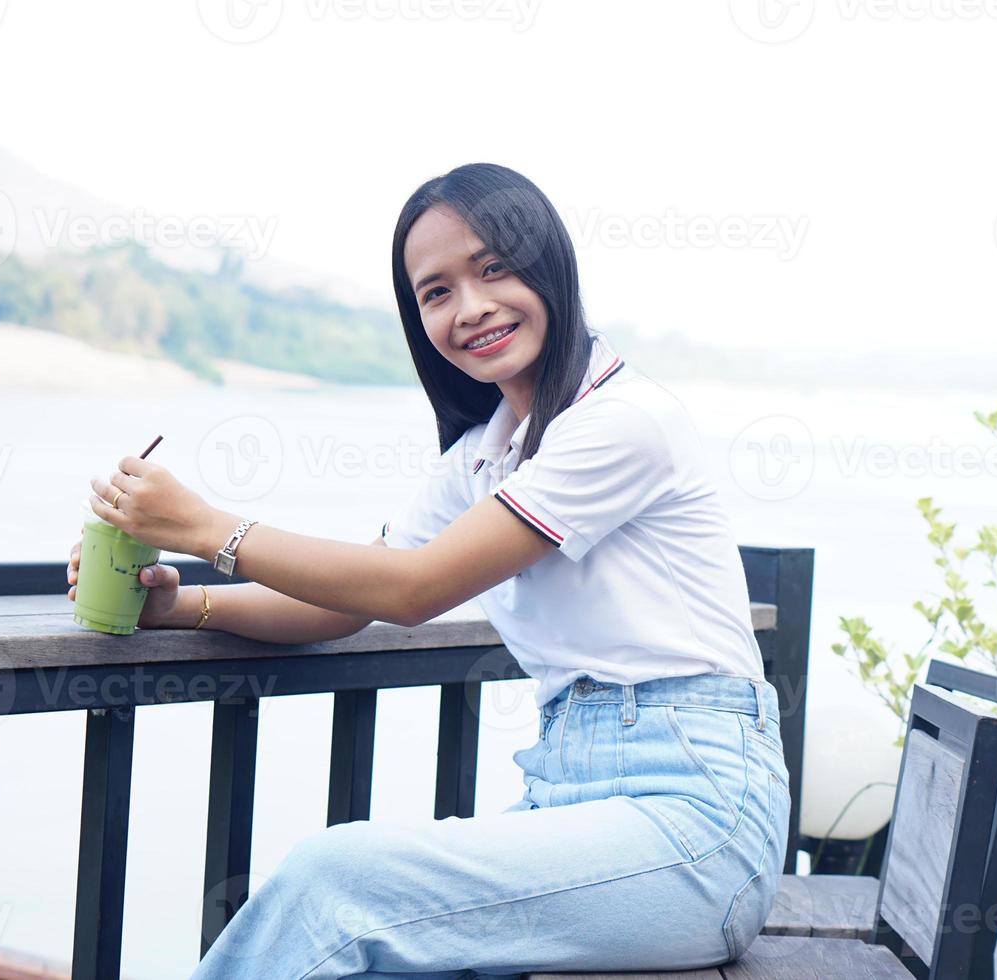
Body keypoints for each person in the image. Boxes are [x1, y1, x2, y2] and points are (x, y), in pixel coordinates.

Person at [68, 162, 789, 978]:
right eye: (436, 292)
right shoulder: (487, 455)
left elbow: (414, 593)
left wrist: (203, 525)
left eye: (493, 268)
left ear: (548, 265)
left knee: (333, 884)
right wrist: (183, 604)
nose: (471, 307)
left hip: (696, 822)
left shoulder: (621, 423)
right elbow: (353, 598)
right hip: (580, 799)